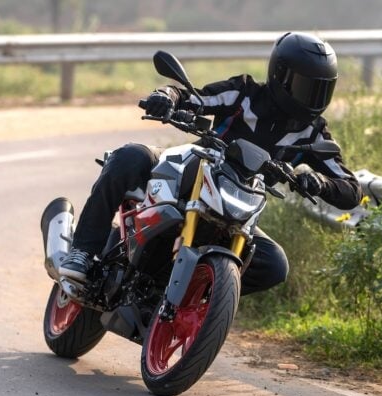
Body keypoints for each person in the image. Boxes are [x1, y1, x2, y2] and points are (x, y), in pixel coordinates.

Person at [59, 32, 363, 296]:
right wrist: (165, 96)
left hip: (238, 209)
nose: (313, 98)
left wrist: (320, 183)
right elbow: (194, 97)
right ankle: (83, 251)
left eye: (322, 90)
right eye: (306, 87)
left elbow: (351, 190)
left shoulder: (314, 133)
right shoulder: (244, 93)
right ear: (280, 75)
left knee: (274, 265)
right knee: (130, 155)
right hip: (192, 172)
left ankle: (199, 301)